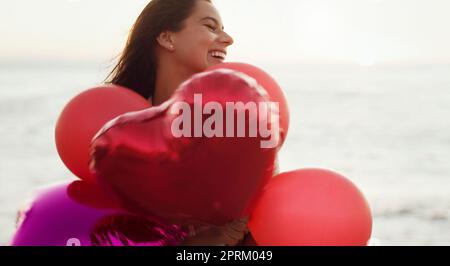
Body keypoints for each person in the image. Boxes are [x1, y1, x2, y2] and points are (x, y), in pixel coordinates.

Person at [104, 0, 252, 246]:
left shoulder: (238, 123)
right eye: (210, 26)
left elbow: (264, 226)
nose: (227, 39)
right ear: (166, 38)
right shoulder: (115, 125)